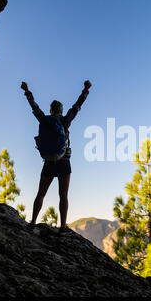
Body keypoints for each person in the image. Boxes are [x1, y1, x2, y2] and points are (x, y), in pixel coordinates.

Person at [21, 80, 92, 233]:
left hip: (48, 162)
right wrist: (85, 90)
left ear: (51, 110)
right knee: (63, 195)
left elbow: (35, 107)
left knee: (41, 193)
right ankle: (63, 226)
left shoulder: (44, 119)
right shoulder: (65, 121)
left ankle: (32, 222)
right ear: (60, 111)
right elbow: (77, 106)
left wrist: (27, 91)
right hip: (64, 161)